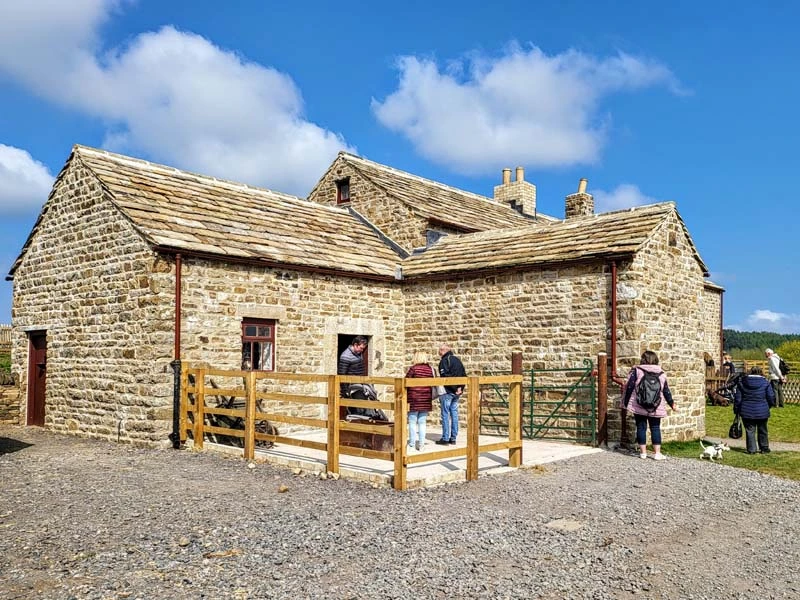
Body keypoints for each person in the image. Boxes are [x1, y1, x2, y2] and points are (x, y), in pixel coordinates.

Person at [621, 350, 675, 460]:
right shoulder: (661, 373)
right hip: (656, 406)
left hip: (639, 405)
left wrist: (626, 403)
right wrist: (672, 404)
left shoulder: (637, 371)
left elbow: (630, 387)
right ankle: (657, 453)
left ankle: (643, 453)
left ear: (643, 360)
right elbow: (666, 390)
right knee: (655, 428)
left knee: (641, 427)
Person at [338, 336, 384, 420]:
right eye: (361, 348)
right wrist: (345, 392)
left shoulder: (359, 354)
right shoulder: (345, 356)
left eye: (363, 349)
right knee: (359, 409)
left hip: (361, 385)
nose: (362, 350)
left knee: (366, 406)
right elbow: (341, 374)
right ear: (355, 345)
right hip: (352, 387)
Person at [734, 366, 775, 454]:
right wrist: (769, 406)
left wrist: (736, 409)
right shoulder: (765, 383)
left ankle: (752, 449)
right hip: (762, 410)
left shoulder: (742, 382)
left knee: (750, 430)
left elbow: (738, 399)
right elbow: (771, 397)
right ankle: (764, 448)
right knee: (763, 429)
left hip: (746, 410)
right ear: (761, 372)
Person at [435, 343, 466, 445]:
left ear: (443, 350)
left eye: (440, 350)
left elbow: (445, 377)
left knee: (445, 414)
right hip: (456, 392)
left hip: (448, 392)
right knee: (454, 414)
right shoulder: (457, 360)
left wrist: (454, 388)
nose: (438, 352)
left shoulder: (444, 361)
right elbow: (463, 375)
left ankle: (445, 438)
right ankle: (453, 438)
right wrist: (460, 388)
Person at [405, 351, 434, 452]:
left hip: (414, 398)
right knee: (422, 422)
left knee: (412, 421)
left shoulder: (413, 369)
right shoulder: (430, 370)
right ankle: (421, 444)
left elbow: (406, 381)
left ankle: (412, 443)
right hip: (426, 398)